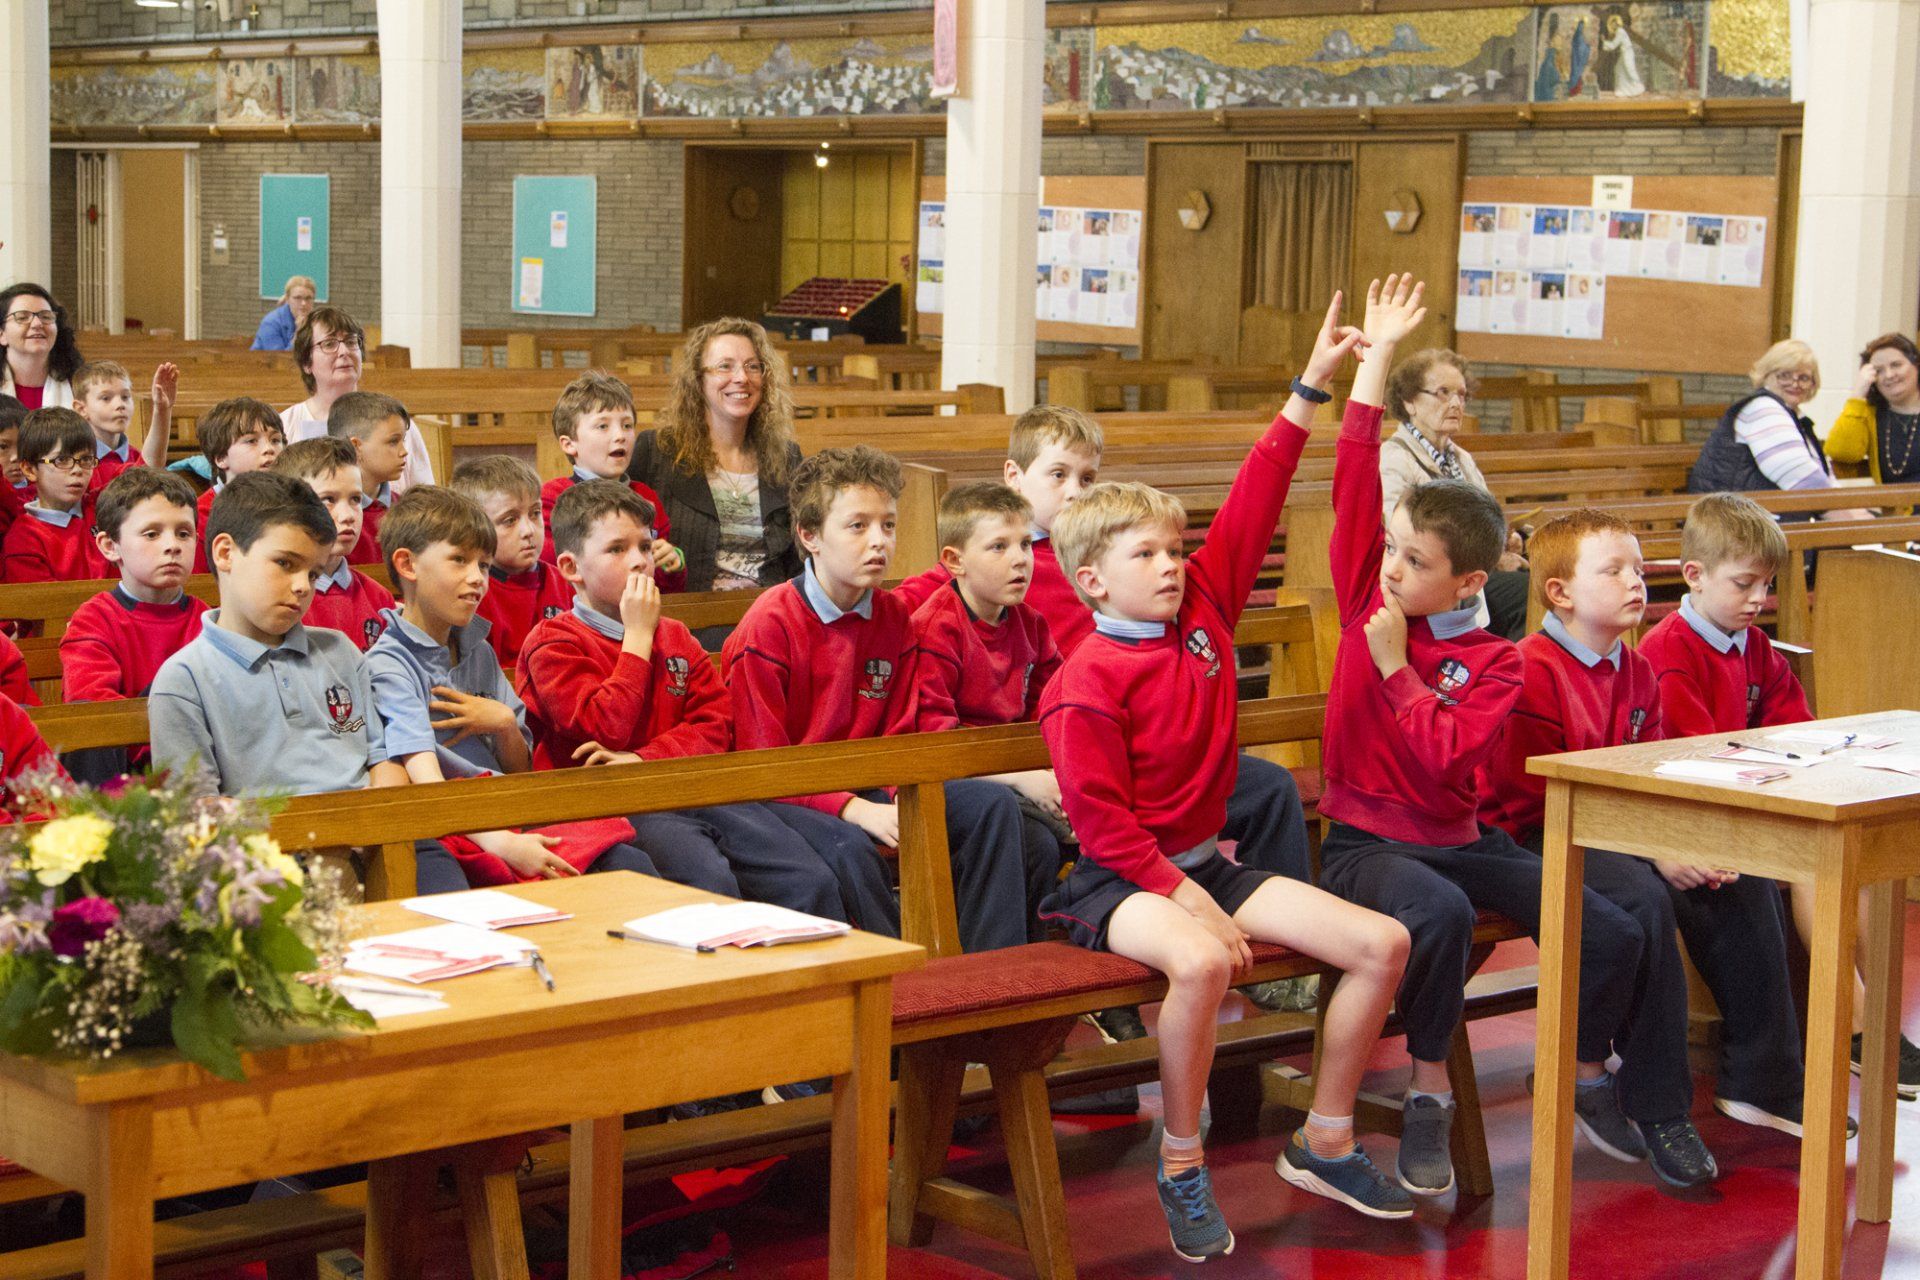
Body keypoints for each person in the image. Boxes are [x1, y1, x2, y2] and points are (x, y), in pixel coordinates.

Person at [1040, 292, 1415, 1261]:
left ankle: (1325, 1137)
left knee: (1380, 942)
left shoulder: (1204, 606)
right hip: (1118, 881)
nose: (1170, 566)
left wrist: (1315, 381)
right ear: (1092, 577)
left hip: (1206, 862)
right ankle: (1180, 1158)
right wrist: (1191, 901)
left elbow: (1261, 482)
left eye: (1174, 549)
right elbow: (1105, 825)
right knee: (1204, 962)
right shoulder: (1084, 681)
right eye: (1144, 554)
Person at [1312, 276, 1644, 1200]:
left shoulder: (1499, 660)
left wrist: (1394, 670)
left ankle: (1582, 1077)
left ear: (1466, 585)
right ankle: (1428, 1095)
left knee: (1610, 930)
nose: (1391, 569)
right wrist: (1374, 359)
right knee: (1442, 915)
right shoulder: (1361, 604)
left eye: (1413, 563)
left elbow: (1448, 758)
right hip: (1365, 843)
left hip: (1457, 839)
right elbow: (1349, 471)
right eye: (1391, 550)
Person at [899, 401, 1321, 1022]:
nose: (1072, 493)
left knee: (1269, 786)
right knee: (1041, 833)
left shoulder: (1097, 570)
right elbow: (923, 605)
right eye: (1058, 476)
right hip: (1067, 752)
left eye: (1086, 478)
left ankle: (1279, 955)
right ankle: (1060, 990)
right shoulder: (993, 575)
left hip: (1128, 745)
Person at [1478, 510, 1744, 1188]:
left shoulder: (1635, 667)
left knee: (1710, 883)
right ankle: (1642, 1098)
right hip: (1527, 832)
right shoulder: (1527, 669)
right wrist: (1653, 850)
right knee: (1645, 904)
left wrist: (1665, 840)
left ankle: (1750, 1075)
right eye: (1615, 570)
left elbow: (1646, 775)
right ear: (1559, 592)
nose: (1637, 581)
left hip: (1604, 826)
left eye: (1638, 567)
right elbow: (1533, 797)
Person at [1640, 492, 1920, 1106]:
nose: (1758, 601)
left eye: (1766, 586)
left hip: (1762, 807)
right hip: (1701, 820)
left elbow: (1800, 728)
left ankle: (1877, 1024)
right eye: (1744, 585)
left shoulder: (1754, 646)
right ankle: (1855, 1024)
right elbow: (1693, 761)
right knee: (1820, 865)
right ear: (1694, 575)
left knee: (1860, 866)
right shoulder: (1668, 653)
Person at [721, 446, 1028, 953]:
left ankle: (989, 984)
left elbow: (900, 734)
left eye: (887, 525)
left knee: (993, 807)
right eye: (857, 526)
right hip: (784, 797)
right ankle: (900, 999)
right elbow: (764, 766)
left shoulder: (892, 617)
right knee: (850, 850)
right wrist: (851, 809)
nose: (879, 542)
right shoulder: (770, 624)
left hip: (871, 786)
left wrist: (891, 798)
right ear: (810, 536)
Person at [516, 480, 844, 918]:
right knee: (709, 884)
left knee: (806, 876)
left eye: (646, 547)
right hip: (610, 808)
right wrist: (636, 636)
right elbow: (602, 726)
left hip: (688, 788)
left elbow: (716, 724)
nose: (639, 561)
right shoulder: (553, 642)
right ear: (572, 567)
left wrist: (643, 759)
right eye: (617, 549)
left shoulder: (674, 636)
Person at [365, 485, 655, 892]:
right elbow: (427, 782)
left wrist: (502, 724)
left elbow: (520, 769)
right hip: (454, 821)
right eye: (459, 561)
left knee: (629, 863)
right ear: (407, 565)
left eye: (483, 566)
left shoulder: (477, 650)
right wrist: (504, 843)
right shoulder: (389, 663)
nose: (476, 579)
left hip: (508, 805)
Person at [148, 472, 409, 805]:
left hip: (375, 838)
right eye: (285, 563)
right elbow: (195, 811)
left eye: (313, 573)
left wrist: (365, 835)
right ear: (226, 553)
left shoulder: (340, 651)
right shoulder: (184, 679)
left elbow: (386, 761)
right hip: (270, 849)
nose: (303, 586)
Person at [911, 481, 1067, 936]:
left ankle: (1040, 976)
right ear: (954, 561)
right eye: (998, 547)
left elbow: (1053, 711)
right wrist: (1023, 777)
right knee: (1000, 808)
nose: (1020, 559)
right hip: (941, 778)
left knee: (1039, 844)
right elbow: (935, 743)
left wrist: (1059, 778)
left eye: (1024, 544)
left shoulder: (1030, 624)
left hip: (1005, 778)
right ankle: (989, 973)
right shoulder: (936, 628)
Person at [627, 318, 803, 600]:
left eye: (752, 366)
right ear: (699, 380)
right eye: (725, 366)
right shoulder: (656, 451)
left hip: (767, 617)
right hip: (687, 616)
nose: (742, 378)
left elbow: (801, 558)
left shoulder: (786, 457)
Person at [60, 468, 208, 780]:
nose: (173, 545)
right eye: (152, 534)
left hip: (197, 763)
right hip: (125, 770)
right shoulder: (94, 619)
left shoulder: (208, 621)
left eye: (184, 533)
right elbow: (94, 708)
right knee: (91, 721)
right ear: (110, 546)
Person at [1378, 348, 1528, 639]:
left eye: (1461, 395)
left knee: (1541, 583)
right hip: (1429, 575)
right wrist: (1491, 556)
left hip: (1467, 571)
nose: (1456, 403)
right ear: (1409, 401)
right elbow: (1401, 532)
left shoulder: (1460, 458)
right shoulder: (1395, 458)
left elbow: (1485, 517)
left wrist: (1504, 542)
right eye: (1443, 393)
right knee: (1524, 594)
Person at [540, 371, 681, 588]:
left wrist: (672, 563)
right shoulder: (554, 498)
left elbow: (665, 588)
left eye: (627, 425)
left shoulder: (645, 496)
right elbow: (554, 574)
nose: (620, 436)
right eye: (603, 426)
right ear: (569, 444)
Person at [280, 306, 432, 492]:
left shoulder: (395, 425)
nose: (344, 351)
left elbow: (424, 498)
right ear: (306, 363)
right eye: (329, 344)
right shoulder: (286, 426)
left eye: (351, 342)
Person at [270, 438, 394, 652]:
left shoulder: (378, 598)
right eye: (328, 499)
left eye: (355, 499)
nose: (347, 516)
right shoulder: (278, 597)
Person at [451, 455, 574, 669]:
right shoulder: (473, 591)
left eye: (535, 514)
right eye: (510, 520)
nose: (528, 531)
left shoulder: (563, 582)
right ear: (475, 529)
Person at [1689, 340, 1840, 498]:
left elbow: (1824, 477)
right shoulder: (1763, 409)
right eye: (1785, 375)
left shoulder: (1795, 416)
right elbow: (1803, 479)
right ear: (1766, 376)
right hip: (1730, 516)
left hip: (1761, 513)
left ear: (1813, 384)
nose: (1795, 384)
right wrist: (1849, 512)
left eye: (1803, 378)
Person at [2, 408, 110, 585]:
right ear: (29, 470)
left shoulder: (100, 506)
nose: (77, 470)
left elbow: (142, 478)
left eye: (85, 459)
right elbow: (46, 606)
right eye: (61, 460)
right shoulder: (24, 539)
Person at [192, 398, 287, 573]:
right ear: (221, 458)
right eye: (251, 441)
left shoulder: (292, 505)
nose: (269, 449)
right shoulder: (200, 517)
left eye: (275, 440)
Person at [327, 390, 412, 568]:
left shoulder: (407, 508)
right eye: (393, 441)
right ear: (355, 446)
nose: (404, 451)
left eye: (403, 441)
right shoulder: (334, 516)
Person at [1825, 333, 1920, 485]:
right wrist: (1857, 396)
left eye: (1896, 365)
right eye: (1879, 370)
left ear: (1916, 365)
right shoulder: (1870, 414)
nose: (1889, 375)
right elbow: (1841, 452)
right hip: (1892, 507)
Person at [71, 359, 177, 495]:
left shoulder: (136, 455)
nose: (120, 404)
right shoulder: (76, 461)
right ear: (81, 409)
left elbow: (150, 471)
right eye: (106, 398)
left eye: (125, 397)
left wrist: (163, 409)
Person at [0, 283, 82, 410]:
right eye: (22, 317)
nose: (37, 324)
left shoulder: (80, 385)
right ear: (2, 334)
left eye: (46, 317)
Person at [251, 275, 317, 352]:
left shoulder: (316, 320)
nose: (303, 303)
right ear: (287, 299)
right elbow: (280, 360)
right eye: (298, 298)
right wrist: (299, 333)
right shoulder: (270, 322)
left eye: (308, 298)